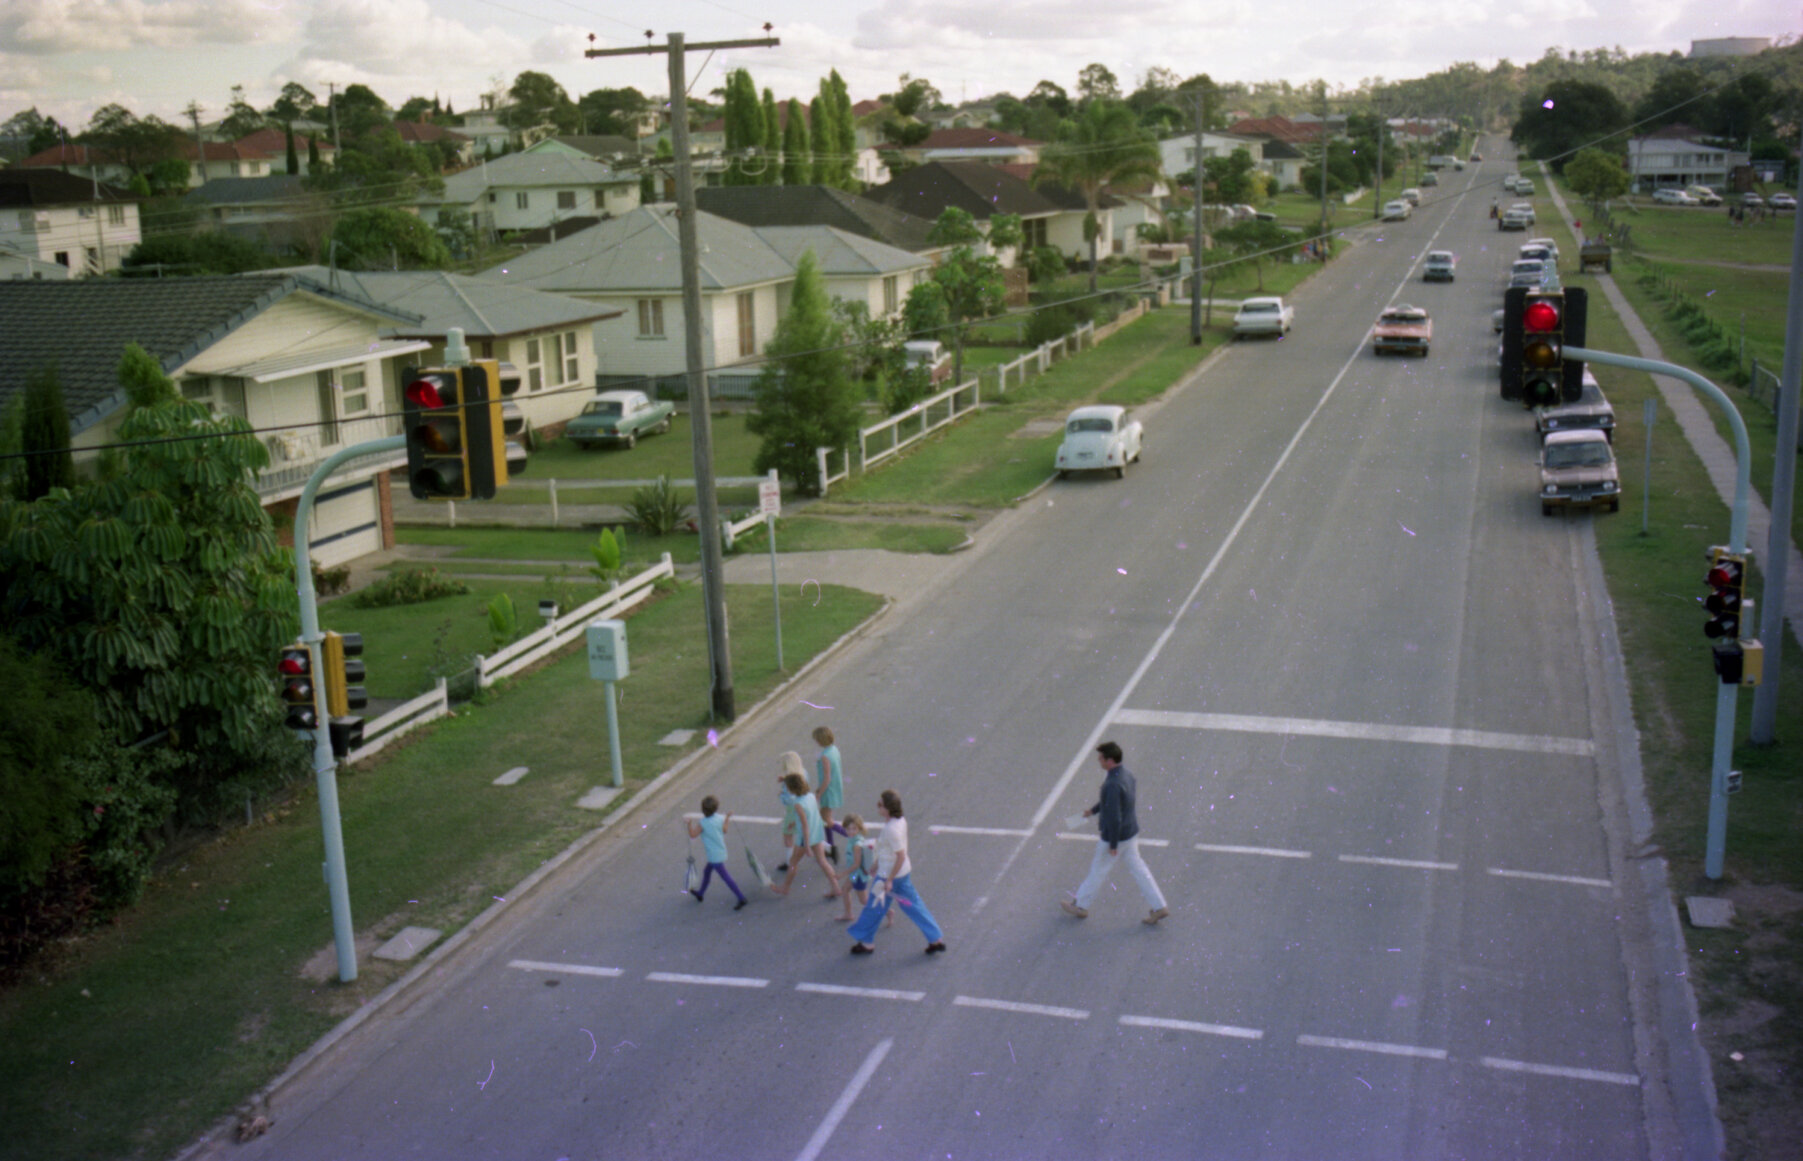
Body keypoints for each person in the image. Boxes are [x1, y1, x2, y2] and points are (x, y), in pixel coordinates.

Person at [1061, 741, 1170, 925]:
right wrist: (1094, 810)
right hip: (1130, 832)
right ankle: (1159, 906)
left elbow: (1114, 817)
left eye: (1101, 758)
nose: (1099, 761)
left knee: (1098, 870)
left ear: (1109, 760)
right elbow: (1116, 803)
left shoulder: (1111, 783)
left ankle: (1081, 905)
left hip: (1116, 837)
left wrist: (1112, 844)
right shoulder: (1126, 775)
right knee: (1139, 870)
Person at [849, 790, 945, 955]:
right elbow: (890, 850)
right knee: (914, 906)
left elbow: (899, 855)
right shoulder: (899, 821)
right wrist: (877, 863)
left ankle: (866, 942)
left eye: (880, 805)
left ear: (888, 808)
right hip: (900, 874)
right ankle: (935, 938)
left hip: (888, 876)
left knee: (874, 907)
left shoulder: (891, 829)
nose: (878, 808)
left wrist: (889, 879)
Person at [773, 770, 842, 900]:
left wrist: (807, 846)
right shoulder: (810, 796)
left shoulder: (798, 804)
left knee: (793, 862)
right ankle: (836, 887)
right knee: (823, 861)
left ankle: (785, 887)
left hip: (805, 839)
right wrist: (795, 823)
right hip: (817, 833)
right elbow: (810, 816)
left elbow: (805, 825)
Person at [685, 796, 747, 911]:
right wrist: (727, 817)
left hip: (713, 855)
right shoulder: (720, 818)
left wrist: (689, 824)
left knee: (725, 877)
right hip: (720, 851)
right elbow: (725, 830)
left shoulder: (703, 823)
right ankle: (701, 893)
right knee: (707, 871)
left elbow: (693, 835)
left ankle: (741, 897)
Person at [835, 813, 891, 926]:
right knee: (845, 889)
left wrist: (842, 874)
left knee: (864, 900)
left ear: (859, 828)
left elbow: (856, 864)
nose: (850, 831)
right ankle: (848, 913)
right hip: (855, 874)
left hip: (858, 876)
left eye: (854, 829)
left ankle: (888, 912)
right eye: (848, 828)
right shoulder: (855, 839)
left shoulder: (856, 845)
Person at [813, 726, 845, 861]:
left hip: (828, 790)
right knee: (825, 819)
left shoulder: (825, 756)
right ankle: (830, 847)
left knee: (827, 820)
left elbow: (827, 777)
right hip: (835, 788)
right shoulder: (834, 750)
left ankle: (852, 837)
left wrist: (819, 793)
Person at [774, 751, 806, 874]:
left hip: (792, 811)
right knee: (808, 835)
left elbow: (788, 799)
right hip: (802, 807)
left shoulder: (789, 782)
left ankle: (789, 862)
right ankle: (828, 849)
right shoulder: (803, 773)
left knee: (788, 836)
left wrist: (781, 794)